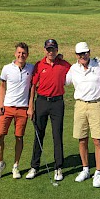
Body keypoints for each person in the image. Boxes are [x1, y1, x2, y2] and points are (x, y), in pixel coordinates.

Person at [26, 39, 71, 181]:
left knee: (57, 135)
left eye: (53, 49)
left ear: (57, 50)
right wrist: (31, 106)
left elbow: (79, 70)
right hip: (41, 102)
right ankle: (34, 166)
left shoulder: (64, 65)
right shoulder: (39, 65)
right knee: (39, 134)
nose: (50, 52)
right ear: (44, 50)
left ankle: (58, 167)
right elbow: (33, 86)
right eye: (48, 49)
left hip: (57, 103)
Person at [0, 42, 34, 180]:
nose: (21, 55)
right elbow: (2, 86)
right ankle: (0, 163)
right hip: (7, 108)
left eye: (24, 53)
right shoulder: (7, 68)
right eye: (19, 53)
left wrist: (30, 106)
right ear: (15, 53)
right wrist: (0, 103)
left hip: (22, 109)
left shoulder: (31, 68)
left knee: (19, 137)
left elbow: (33, 88)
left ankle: (16, 166)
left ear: (27, 55)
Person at [66, 42, 100, 188]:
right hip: (80, 105)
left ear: (89, 52)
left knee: (98, 140)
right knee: (82, 139)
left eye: (85, 53)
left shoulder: (99, 66)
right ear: (76, 55)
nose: (83, 56)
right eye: (80, 54)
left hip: (96, 105)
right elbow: (62, 81)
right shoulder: (73, 68)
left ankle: (98, 172)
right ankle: (85, 169)